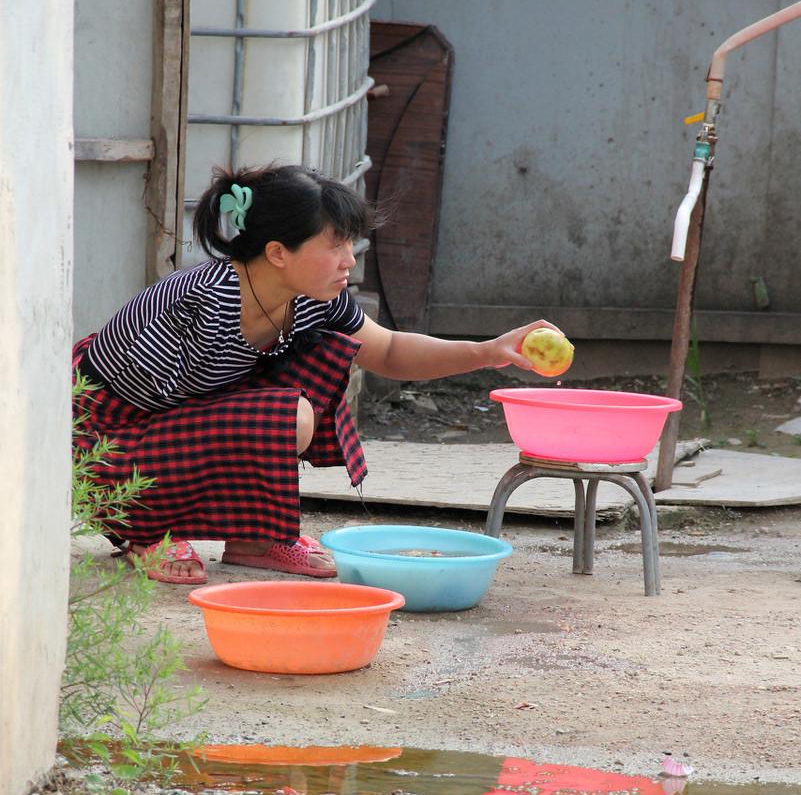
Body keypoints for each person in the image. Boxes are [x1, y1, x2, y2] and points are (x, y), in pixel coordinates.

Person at [72, 163, 562, 585]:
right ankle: (147, 529)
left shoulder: (311, 299)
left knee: (291, 411)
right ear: (278, 252)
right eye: (335, 246)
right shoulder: (196, 304)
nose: (349, 260)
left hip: (176, 423)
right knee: (280, 414)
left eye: (351, 244)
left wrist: (487, 350)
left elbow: (388, 350)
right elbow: (126, 421)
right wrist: (146, 518)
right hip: (103, 433)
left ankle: (255, 538)